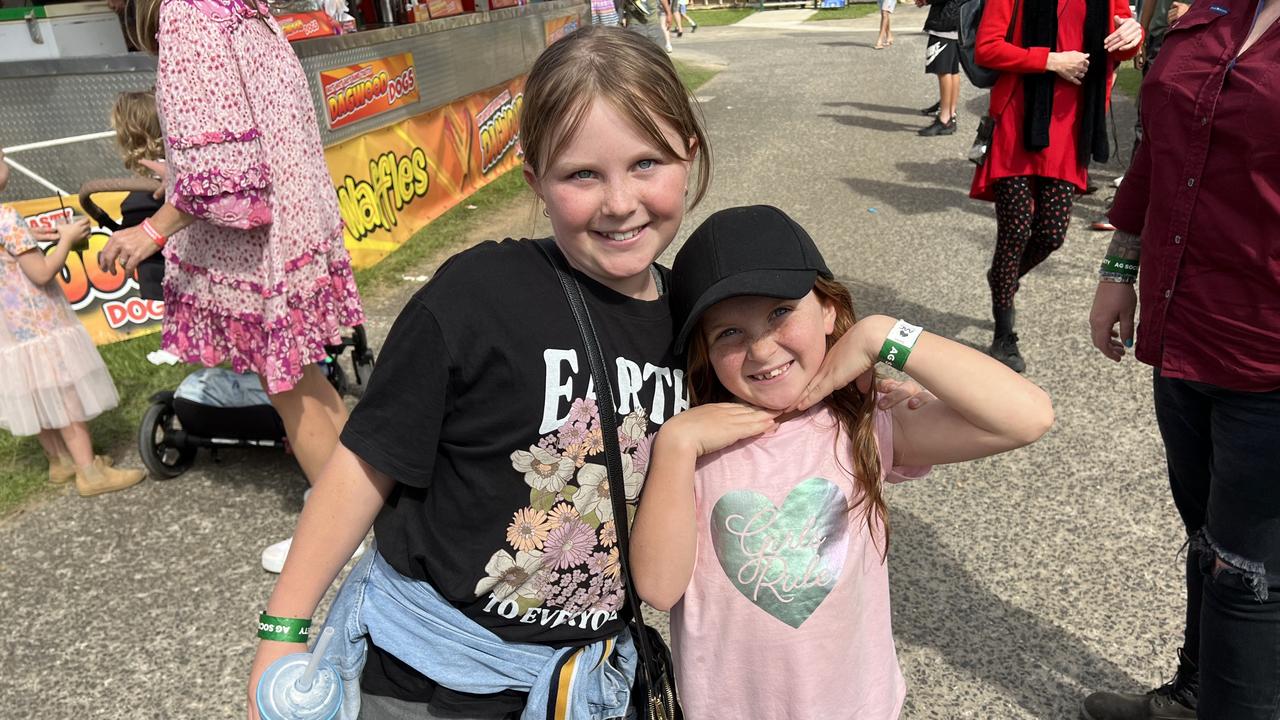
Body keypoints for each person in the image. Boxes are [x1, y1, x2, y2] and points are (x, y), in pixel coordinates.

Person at [244, 26, 715, 720]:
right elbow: (364, 466)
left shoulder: (698, 324)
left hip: (580, 686)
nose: (620, 202)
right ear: (536, 182)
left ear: (690, 157)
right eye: (582, 174)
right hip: (433, 678)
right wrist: (281, 635)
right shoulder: (476, 297)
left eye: (647, 163)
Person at [630, 205, 1056, 720]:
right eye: (728, 334)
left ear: (829, 311)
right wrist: (675, 445)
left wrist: (882, 336)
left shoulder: (866, 424)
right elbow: (657, 588)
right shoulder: (691, 441)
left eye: (781, 312)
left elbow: (1026, 417)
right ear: (701, 349)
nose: (762, 350)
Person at [106, 0, 366, 572]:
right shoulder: (248, 12)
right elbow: (256, 139)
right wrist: (184, 172)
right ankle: (367, 510)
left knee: (291, 392)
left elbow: (221, 176)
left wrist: (149, 231)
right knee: (310, 384)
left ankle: (344, 531)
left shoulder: (188, 15)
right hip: (297, 229)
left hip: (260, 248)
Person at [1081, 0, 1280, 717]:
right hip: (1187, 330)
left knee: (1248, 574)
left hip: (1268, 354)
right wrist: (1120, 267)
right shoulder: (1220, 11)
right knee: (1206, 539)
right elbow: (1162, 148)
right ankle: (1195, 692)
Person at [968, 0, 1142, 372]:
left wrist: (1134, 34)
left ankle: (1002, 276)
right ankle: (1004, 332)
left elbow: (1123, 44)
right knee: (1014, 230)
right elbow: (987, 47)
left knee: (1051, 233)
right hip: (1017, 121)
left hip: (1069, 128)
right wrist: (1049, 60)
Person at [0, 149, 147, 496]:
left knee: (34, 389)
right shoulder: (7, 218)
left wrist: (43, 237)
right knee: (65, 391)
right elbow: (41, 272)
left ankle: (59, 461)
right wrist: (66, 239)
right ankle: (88, 472)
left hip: (10, 330)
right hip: (41, 321)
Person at [916, 0, 962, 135]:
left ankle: (944, 118)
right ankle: (950, 114)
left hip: (945, 22)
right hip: (955, 21)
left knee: (943, 70)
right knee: (952, 70)